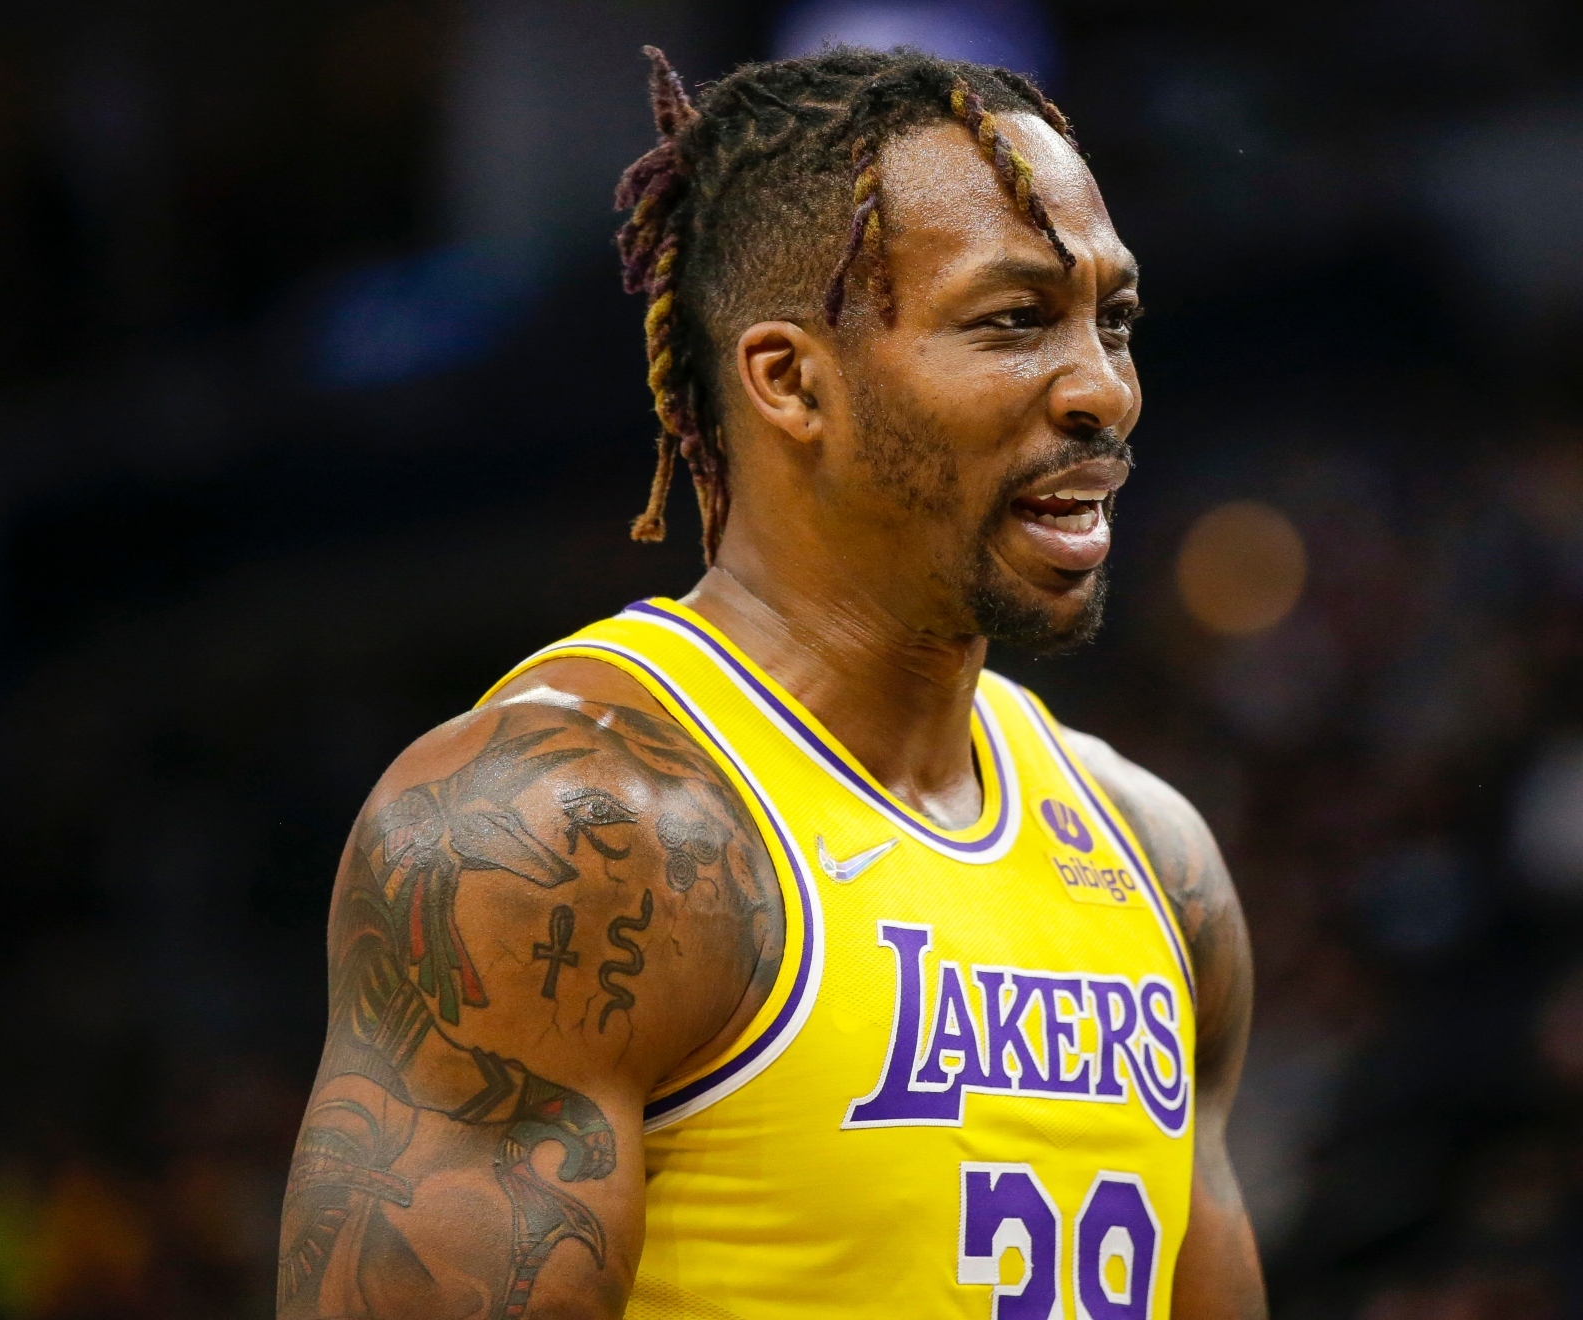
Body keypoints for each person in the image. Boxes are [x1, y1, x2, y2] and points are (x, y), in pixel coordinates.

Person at [277, 44, 1266, 1320]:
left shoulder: (1158, 859)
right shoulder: (555, 838)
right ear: (791, 380)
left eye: (1112, 320)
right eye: (1014, 320)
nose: (1103, 389)